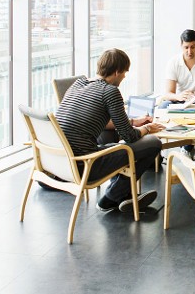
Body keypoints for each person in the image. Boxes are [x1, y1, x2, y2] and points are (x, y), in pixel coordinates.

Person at [56, 48, 165, 213]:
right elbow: (129, 136)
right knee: (154, 143)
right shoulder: (110, 91)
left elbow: (95, 119)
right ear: (116, 72)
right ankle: (112, 197)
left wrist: (134, 121)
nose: (124, 77)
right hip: (85, 165)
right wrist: (147, 127)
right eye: (124, 73)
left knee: (108, 134)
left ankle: (123, 195)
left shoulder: (79, 84)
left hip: (60, 162)